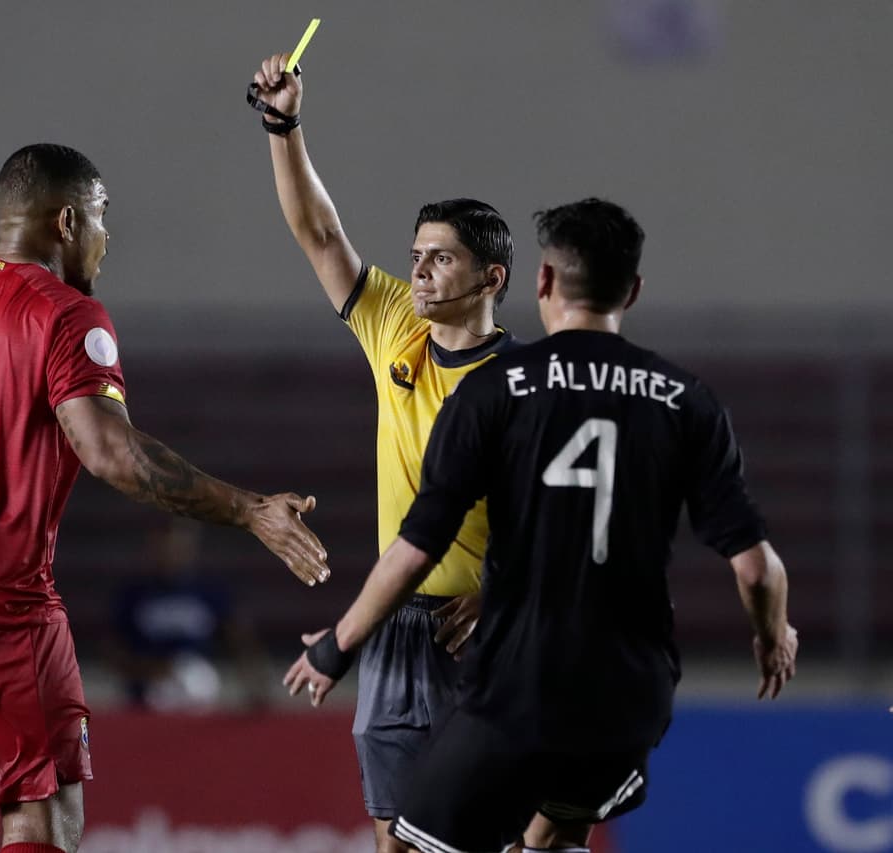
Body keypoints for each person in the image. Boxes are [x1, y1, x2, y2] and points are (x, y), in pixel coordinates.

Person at [0, 143, 330, 853]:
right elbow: (112, 454)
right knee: (43, 816)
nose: (109, 237)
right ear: (68, 220)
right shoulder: (66, 315)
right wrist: (249, 508)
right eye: (104, 216)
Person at [284, 198, 798, 853]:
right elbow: (757, 567)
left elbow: (417, 547)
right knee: (552, 838)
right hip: (631, 690)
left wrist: (337, 645)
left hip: (520, 679)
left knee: (413, 844)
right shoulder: (686, 398)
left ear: (542, 283)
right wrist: (771, 634)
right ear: (633, 290)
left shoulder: (501, 389)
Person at [250, 53, 520, 850]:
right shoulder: (396, 326)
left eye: (442, 257)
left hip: (487, 632)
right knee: (397, 840)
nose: (420, 268)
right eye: (416, 253)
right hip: (397, 626)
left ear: (491, 275)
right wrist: (282, 125)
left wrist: (506, 589)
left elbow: (561, 512)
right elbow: (319, 231)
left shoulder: (524, 381)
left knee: (492, 836)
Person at [107, 518, 271, 710]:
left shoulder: (208, 591)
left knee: (194, 680)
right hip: (147, 692)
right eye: (164, 546)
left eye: (177, 546)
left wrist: (256, 686)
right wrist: (147, 670)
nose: (170, 553)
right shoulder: (134, 594)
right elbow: (113, 650)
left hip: (197, 684)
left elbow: (241, 640)